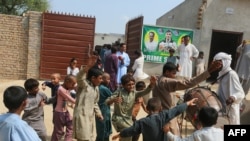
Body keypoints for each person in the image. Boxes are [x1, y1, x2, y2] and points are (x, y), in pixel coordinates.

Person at [152, 61, 221, 136]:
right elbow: (188, 83)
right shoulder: (166, 82)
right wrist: (209, 70)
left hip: (157, 116)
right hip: (168, 117)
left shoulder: (157, 79)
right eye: (174, 73)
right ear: (167, 72)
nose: (175, 76)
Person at [112, 97, 198, 141]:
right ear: (161, 108)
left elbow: (131, 130)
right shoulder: (165, 115)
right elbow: (176, 110)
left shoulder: (142, 122)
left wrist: (120, 134)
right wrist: (188, 103)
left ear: (147, 108)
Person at [105, 74, 157, 141]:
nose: (131, 86)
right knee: (128, 134)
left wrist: (151, 84)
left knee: (128, 136)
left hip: (129, 120)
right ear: (123, 85)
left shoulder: (134, 93)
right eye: (129, 85)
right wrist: (113, 100)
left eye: (133, 84)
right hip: (119, 118)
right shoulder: (119, 92)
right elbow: (106, 101)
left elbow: (145, 91)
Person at [73, 55, 104, 141]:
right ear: (93, 78)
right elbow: (79, 78)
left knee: (89, 137)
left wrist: (98, 113)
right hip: (82, 116)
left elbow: (95, 103)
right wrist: (87, 68)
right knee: (84, 138)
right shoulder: (84, 85)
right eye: (100, 78)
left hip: (90, 116)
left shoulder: (96, 88)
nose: (102, 80)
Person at [213, 52, 245, 124]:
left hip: (230, 109)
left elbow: (241, 93)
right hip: (221, 107)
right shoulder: (221, 73)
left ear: (225, 62)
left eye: (218, 63)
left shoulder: (231, 74)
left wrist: (233, 97)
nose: (216, 65)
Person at [51, 75, 77, 141]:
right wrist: (78, 102)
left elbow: (75, 88)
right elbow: (69, 97)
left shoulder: (67, 87)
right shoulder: (60, 89)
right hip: (59, 113)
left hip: (65, 112)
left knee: (71, 125)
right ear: (67, 82)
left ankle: (68, 139)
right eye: (72, 84)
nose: (73, 85)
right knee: (59, 131)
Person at [95, 73, 113, 141]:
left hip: (100, 112)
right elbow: (113, 96)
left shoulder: (98, 87)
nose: (109, 81)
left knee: (101, 131)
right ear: (103, 79)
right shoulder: (104, 89)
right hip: (104, 112)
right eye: (108, 79)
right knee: (104, 132)